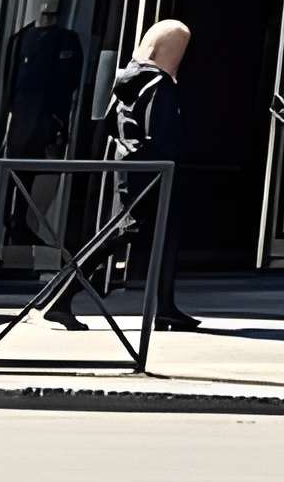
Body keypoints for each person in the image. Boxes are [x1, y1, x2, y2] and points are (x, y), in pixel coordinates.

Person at [49, 18, 197, 332]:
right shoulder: (158, 85)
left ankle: (166, 307)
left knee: (163, 234)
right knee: (120, 233)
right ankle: (60, 298)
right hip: (152, 168)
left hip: (133, 164)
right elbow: (162, 132)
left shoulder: (130, 78)